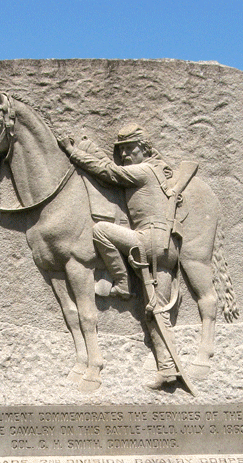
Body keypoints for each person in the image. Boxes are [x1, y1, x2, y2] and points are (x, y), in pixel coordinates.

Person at [58, 124, 181, 389]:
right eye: (121, 150)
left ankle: (122, 283)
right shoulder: (158, 171)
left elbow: (109, 172)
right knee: (155, 311)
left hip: (148, 242)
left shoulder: (144, 171)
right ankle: (168, 368)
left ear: (145, 149)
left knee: (101, 230)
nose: (124, 154)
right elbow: (111, 167)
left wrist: (74, 154)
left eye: (130, 149)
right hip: (165, 248)